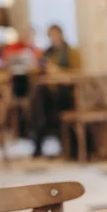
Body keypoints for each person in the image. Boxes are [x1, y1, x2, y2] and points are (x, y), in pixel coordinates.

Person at [31, 24, 81, 157]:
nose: (53, 38)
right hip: (50, 90)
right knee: (38, 95)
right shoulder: (47, 53)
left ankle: (40, 137)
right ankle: (39, 133)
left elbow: (76, 73)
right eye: (50, 35)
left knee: (41, 98)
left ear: (60, 34)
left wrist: (57, 70)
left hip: (65, 90)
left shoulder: (70, 52)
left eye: (54, 34)